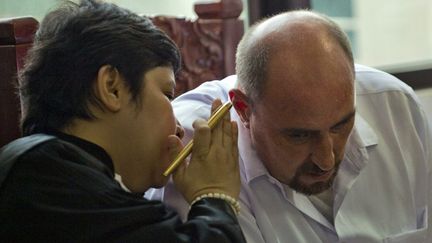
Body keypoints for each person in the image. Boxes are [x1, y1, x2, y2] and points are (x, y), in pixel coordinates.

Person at [146, 10, 432, 242]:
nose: (326, 159)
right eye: (299, 135)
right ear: (243, 109)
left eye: (341, 125)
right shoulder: (191, 145)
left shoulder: (395, 107)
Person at [0, 0, 246, 242]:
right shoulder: (44, 177)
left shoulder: (65, 173)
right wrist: (215, 196)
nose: (180, 129)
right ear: (112, 88)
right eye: (167, 94)